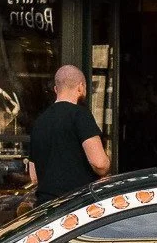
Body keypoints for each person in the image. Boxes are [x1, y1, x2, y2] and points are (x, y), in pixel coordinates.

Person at [26, 65, 110, 205]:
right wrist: (107, 169)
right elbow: (99, 163)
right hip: (75, 205)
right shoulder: (80, 115)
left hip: (46, 207)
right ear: (80, 87)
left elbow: (34, 176)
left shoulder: (40, 121)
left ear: (55, 89)